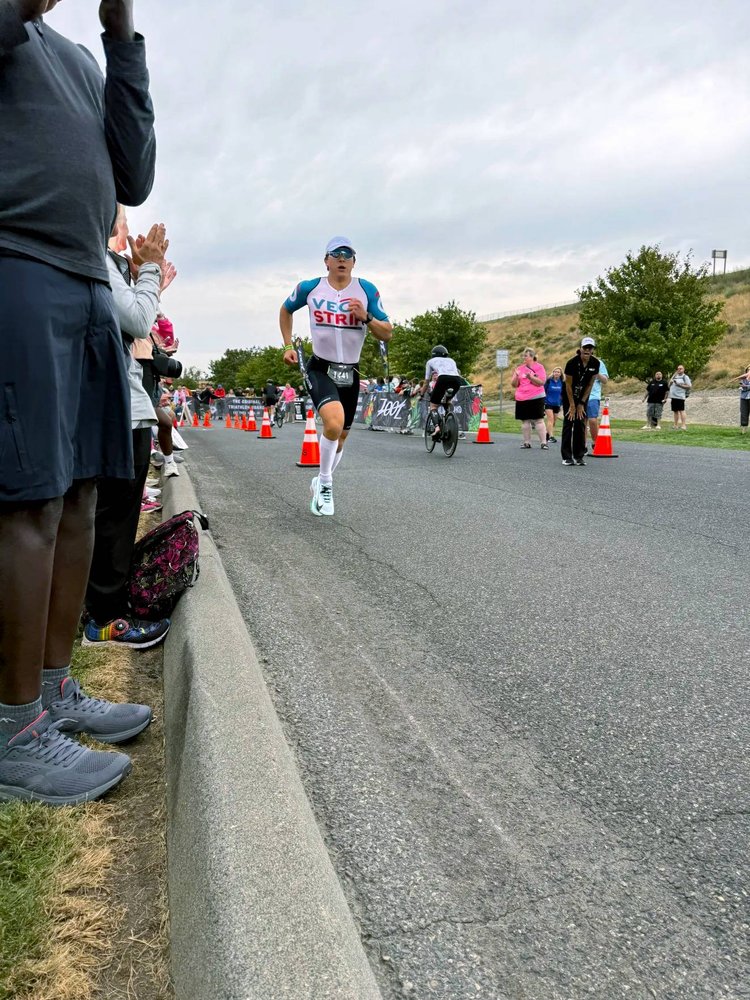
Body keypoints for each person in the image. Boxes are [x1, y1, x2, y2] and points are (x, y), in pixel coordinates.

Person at [0, 0, 156, 805]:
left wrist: (121, 33)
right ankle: (11, 729)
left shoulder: (82, 59)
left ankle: (54, 691)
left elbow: (134, 172)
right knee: (27, 499)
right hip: (15, 260)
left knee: (82, 494)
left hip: (89, 279)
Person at [83, 210, 172, 649]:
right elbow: (137, 322)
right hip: (120, 409)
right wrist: (151, 272)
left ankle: (104, 607)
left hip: (123, 407)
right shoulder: (97, 258)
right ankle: (103, 619)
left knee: (112, 517)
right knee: (114, 521)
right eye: (121, 218)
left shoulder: (106, 264)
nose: (130, 229)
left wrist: (145, 278)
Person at [280, 236, 392, 516]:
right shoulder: (311, 288)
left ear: (354, 261)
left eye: (348, 254)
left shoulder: (366, 289)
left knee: (340, 437)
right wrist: (287, 345)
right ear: (326, 260)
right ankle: (326, 484)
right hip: (321, 368)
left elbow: (387, 331)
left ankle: (320, 478)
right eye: (336, 254)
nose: (342, 258)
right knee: (332, 422)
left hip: (351, 372)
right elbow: (285, 309)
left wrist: (366, 317)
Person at [561, 337, 600, 466]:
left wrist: (582, 403)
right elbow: (568, 385)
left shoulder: (595, 363)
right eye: (585, 348)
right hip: (569, 394)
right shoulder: (571, 363)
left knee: (580, 422)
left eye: (590, 348)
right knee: (569, 421)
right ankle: (566, 456)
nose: (587, 350)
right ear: (580, 349)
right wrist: (572, 405)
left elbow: (590, 384)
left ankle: (579, 455)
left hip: (583, 395)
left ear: (592, 350)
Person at [425, 346, 466, 437]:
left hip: (443, 378)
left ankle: (437, 427)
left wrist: (422, 393)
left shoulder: (430, 362)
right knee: (446, 401)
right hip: (456, 380)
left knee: (433, 406)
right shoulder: (451, 360)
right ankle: (448, 417)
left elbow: (427, 381)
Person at [510, 348, 548, 449]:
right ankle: (527, 442)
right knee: (525, 421)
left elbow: (542, 382)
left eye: (526, 356)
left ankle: (543, 443)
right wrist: (516, 377)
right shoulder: (520, 368)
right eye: (523, 356)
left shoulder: (539, 367)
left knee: (539, 420)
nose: (524, 358)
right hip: (522, 398)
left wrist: (530, 377)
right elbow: (514, 384)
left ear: (532, 357)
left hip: (536, 397)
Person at [585, 348, 609, 446]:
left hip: (593, 396)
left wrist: (596, 372)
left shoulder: (599, 363)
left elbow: (605, 380)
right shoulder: (578, 363)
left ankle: (595, 441)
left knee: (592, 420)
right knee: (582, 422)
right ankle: (583, 445)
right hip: (581, 396)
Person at [544, 367, 564, 443]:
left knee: (554, 421)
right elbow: (543, 391)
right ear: (553, 372)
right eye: (555, 371)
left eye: (558, 372)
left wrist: (561, 403)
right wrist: (543, 401)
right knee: (550, 419)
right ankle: (551, 437)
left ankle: (546, 434)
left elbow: (563, 394)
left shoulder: (562, 382)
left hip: (557, 404)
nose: (556, 373)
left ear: (560, 374)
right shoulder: (549, 381)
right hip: (548, 403)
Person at [668, 365, 692, 430]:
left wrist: (679, 385)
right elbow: (669, 385)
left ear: (683, 369)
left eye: (680, 369)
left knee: (681, 410)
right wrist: (670, 383)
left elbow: (689, 386)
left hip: (680, 396)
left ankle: (683, 425)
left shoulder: (685, 377)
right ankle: (675, 425)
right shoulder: (675, 376)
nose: (679, 370)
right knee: (675, 411)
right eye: (678, 369)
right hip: (673, 396)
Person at [732, 365, 750, 434]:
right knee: (744, 413)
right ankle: (743, 430)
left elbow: (745, 387)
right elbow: (742, 386)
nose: (749, 370)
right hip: (744, 397)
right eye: (748, 369)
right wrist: (746, 387)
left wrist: (746, 387)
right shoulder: (743, 379)